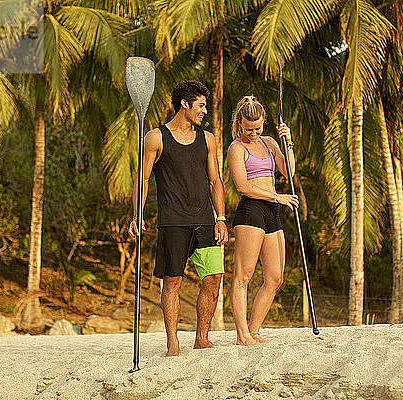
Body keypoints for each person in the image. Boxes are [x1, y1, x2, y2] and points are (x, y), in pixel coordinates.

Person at [128, 80, 228, 356]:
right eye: (201, 105)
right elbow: (143, 178)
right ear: (184, 104)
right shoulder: (156, 137)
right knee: (172, 282)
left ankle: (202, 337)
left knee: (214, 278)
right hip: (173, 221)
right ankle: (173, 342)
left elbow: (215, 181)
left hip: (205, 221)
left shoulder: (207, 139)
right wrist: (137, 214)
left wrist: (221, 217)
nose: (204, 111)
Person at [227, 95, 299, 345]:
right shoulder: (236, 148)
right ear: (239, 123)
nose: (253, 134)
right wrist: (277, 196)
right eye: (248, 129)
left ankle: (255, 330)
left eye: (257, 128)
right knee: (243, 277)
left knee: (275, 277)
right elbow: (243, 186)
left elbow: (288, 170)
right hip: (251, 211)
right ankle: (242, 334)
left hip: (272, 211)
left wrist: (288, 142)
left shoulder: (269, 143)